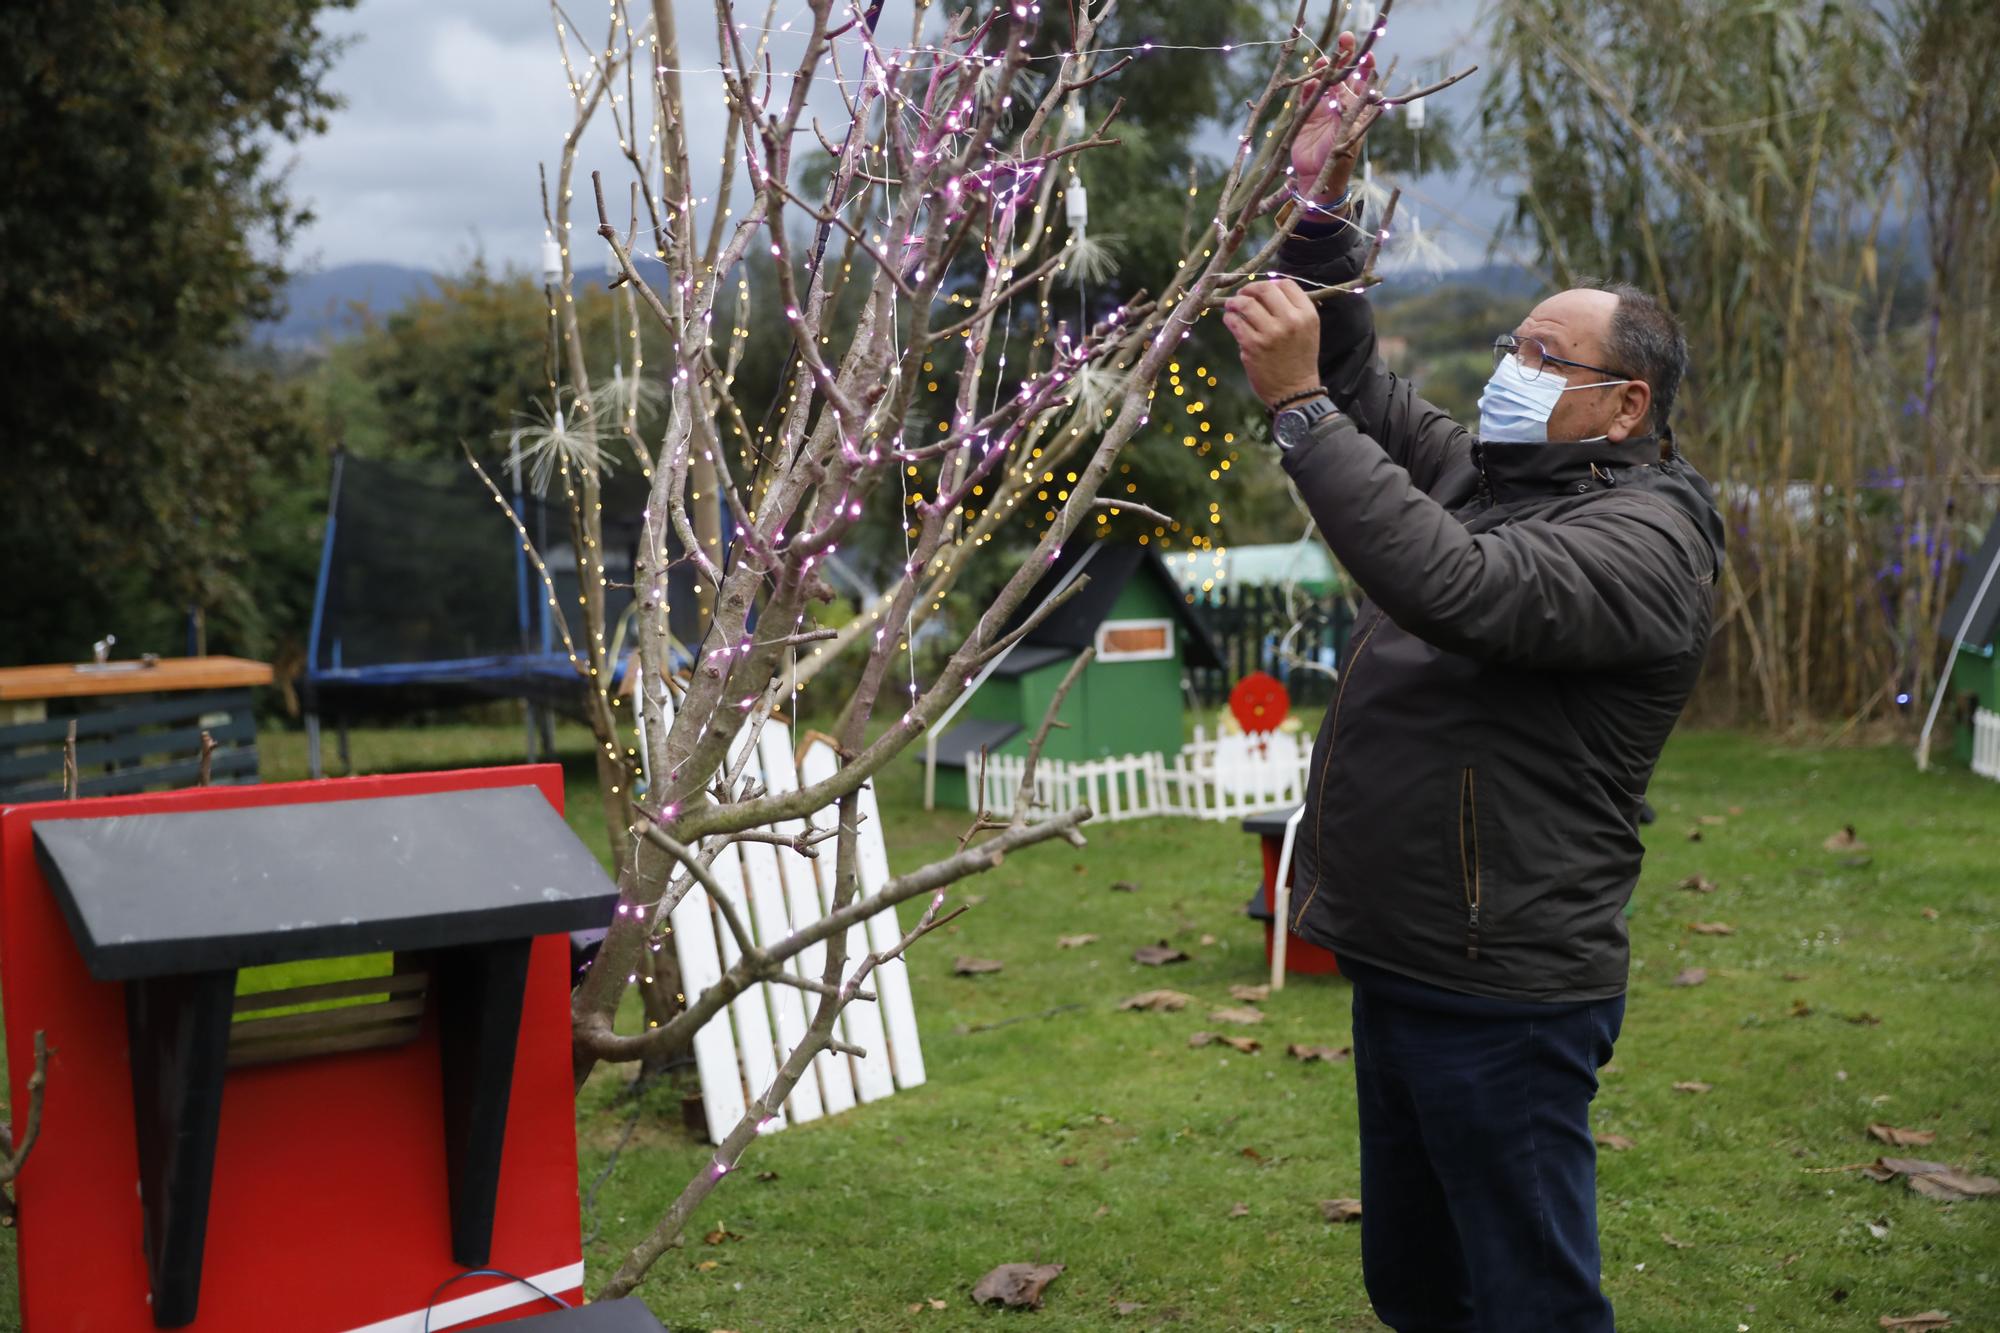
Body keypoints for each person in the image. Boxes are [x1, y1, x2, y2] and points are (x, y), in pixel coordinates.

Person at [1220, 32, 1726, 1333]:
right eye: (1513, 338)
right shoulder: (1496, 475)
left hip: (1505, 984)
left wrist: (1298, 420)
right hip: (1406, 954)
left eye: (1544, 355)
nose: (1511, 364)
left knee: (1527, 1297)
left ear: (1625, 406)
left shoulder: (1650, 541)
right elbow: (1356, 384)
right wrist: (1319, 210)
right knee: (1420, 1284)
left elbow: (1458, 589)